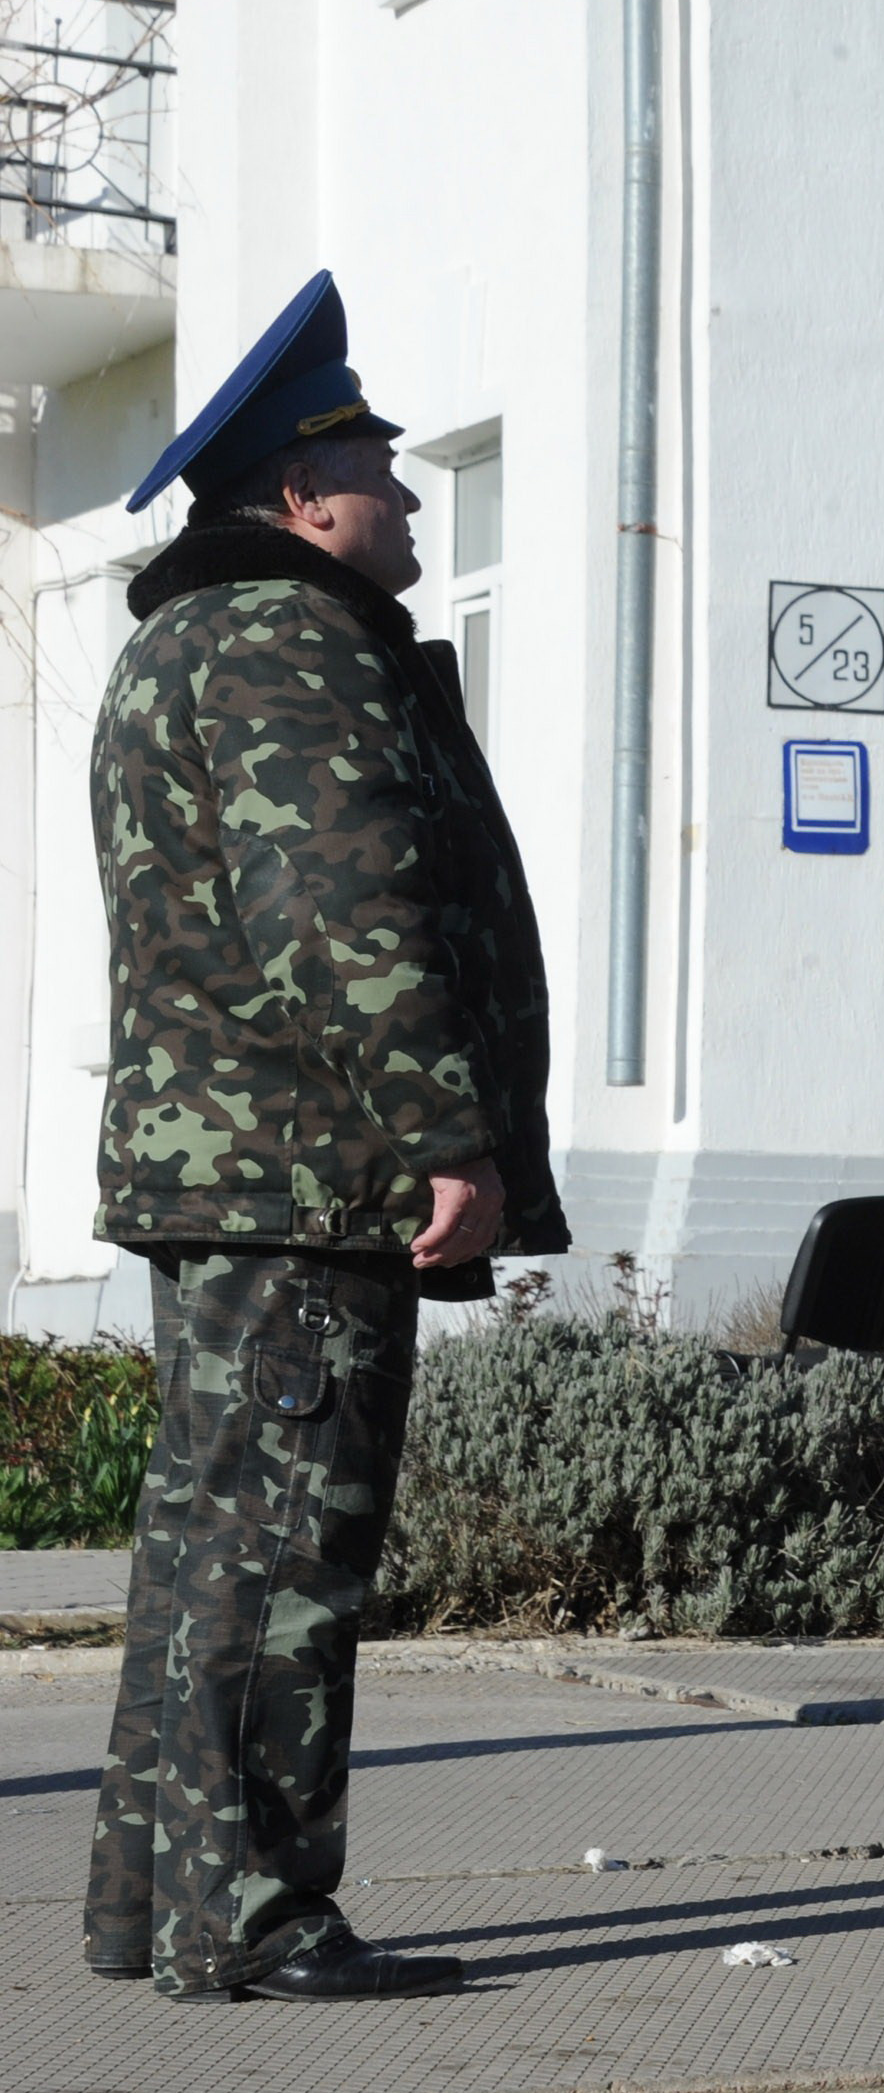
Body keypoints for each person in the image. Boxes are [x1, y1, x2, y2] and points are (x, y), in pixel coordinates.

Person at [84, 271, 566, 2004]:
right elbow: (341, 909)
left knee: (208, 1544)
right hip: (309, 1178)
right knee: (282, 1554)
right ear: (302, 496)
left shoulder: (185, 644)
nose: (410, 489)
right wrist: (447, 1131)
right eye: (376, 457)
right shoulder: (292, 641)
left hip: (239, 1171)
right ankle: (262, 1915)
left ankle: (162, 1901)